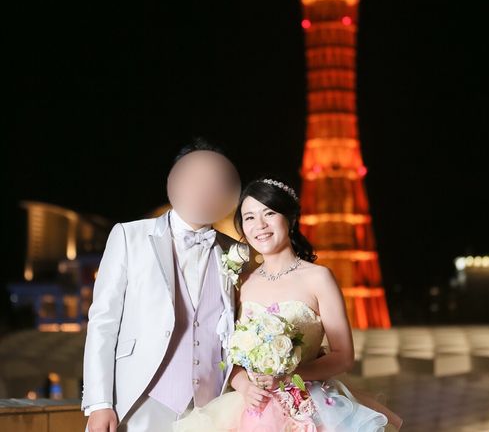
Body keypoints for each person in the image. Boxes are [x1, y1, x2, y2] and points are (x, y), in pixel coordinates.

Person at [175, 178, 402, 431]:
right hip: (251, 409)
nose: (260, 225)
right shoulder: (241, 283)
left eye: (269, 213)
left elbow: (343, 356)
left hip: (310, 406)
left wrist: (289, 376)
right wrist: (244, 385)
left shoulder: (319, 278)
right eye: (249, 217)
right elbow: (227, 354)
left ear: (290, 219)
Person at [82, 138, 245, 432]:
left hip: (212, 404)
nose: (204, 190)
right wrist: (99, 403)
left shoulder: (235, 251)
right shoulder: (129, 236)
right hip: (142, 398)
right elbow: (103, 321)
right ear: (175, 180)